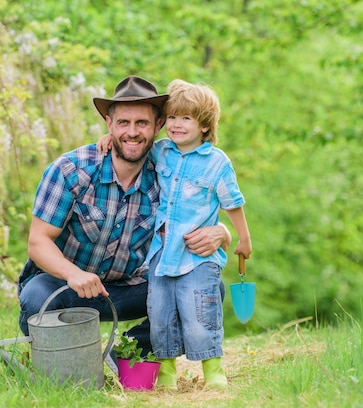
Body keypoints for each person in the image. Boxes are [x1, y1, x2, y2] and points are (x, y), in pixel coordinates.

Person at [16, 76, 231, 364]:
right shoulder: (72, 170)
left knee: (208, 289)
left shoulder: (168, 173)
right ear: (109, 124)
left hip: (131, 288)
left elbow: (205, 204)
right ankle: (70, 361)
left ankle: (123, 356)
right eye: (123, 123)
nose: (132, 132)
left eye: (142, 123)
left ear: (158, 126)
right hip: (67, 285)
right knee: (35, 296)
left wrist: (222, 233)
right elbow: (37, 242)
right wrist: (73, 274)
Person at [99, 79, 252, 390]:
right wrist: (109, 138)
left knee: (201, 314)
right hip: (162, 252)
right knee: (161, 317)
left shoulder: (216, 163)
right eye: (172, 118)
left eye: (187, 119)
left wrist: (241, 238)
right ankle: (166, 374)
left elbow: (233, 203)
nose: (176, 125)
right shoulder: (161, 152)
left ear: (205, 126)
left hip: (198, 256)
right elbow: (133, 148)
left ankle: (213, 371)